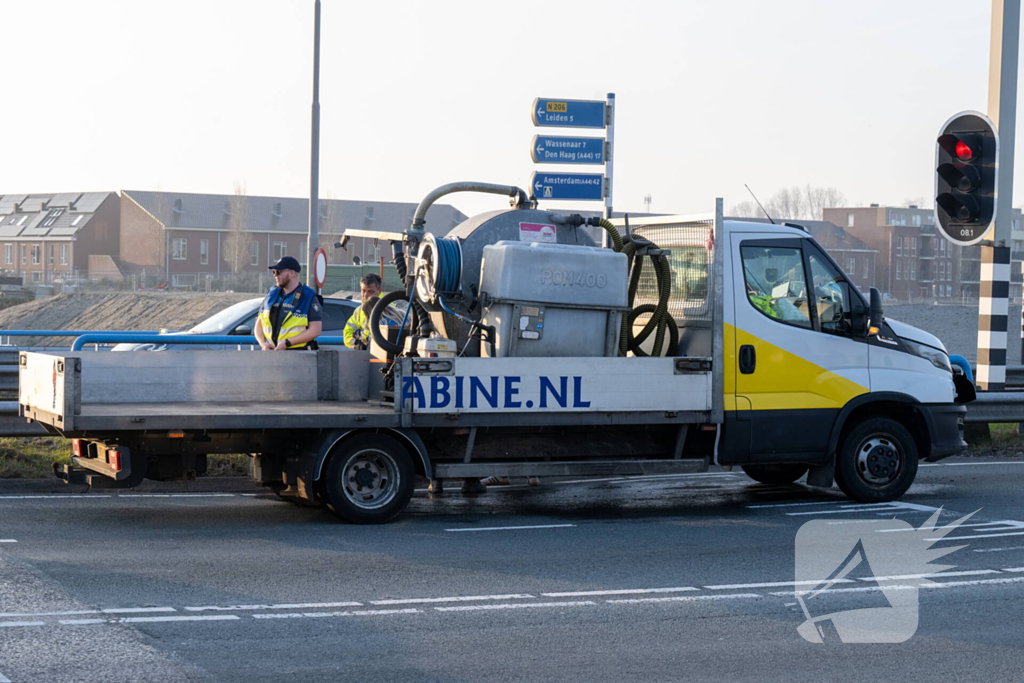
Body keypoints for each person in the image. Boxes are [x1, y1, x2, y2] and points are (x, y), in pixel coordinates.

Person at [255, 256, 323, 351]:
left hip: (298, 355)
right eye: (274, 272)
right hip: (270, 355)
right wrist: (263, 344)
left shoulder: (308, 296)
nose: (275, 275)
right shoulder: (271, 294)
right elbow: (259, 325)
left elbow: (315, 330)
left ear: (292, 273)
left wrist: (287, 343)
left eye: (278, 272)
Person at [344, 273, 383, 350]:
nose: (365, 295)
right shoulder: (358, 311)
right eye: (363, 291)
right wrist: (355, 343)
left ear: (380, 291)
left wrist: (362, 335)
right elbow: (347, 333)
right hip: (365, 355)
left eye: (370, 291)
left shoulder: (389, 309)